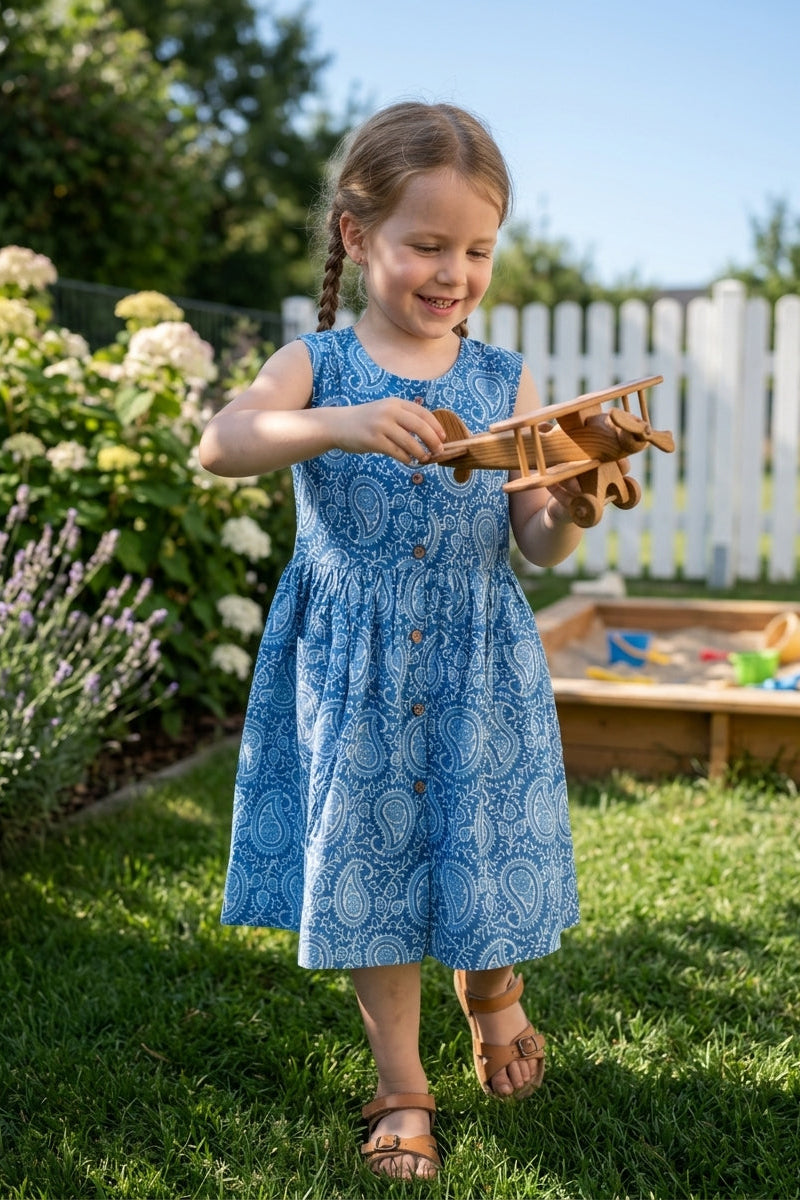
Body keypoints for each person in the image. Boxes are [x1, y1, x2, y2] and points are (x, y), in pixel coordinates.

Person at [199, 100, 587, 1182]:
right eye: (427, 243)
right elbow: (221, 440)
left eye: (475, 248)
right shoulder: (315, 363)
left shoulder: (501, 379)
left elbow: (536, 538)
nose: (452, 271)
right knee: (369, 864)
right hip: (353, 668)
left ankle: (492, 989)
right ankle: (400, 1083)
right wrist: (334, 422)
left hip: (475, 659)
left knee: (480, 839)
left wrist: (569, 505)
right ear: (356, 233)